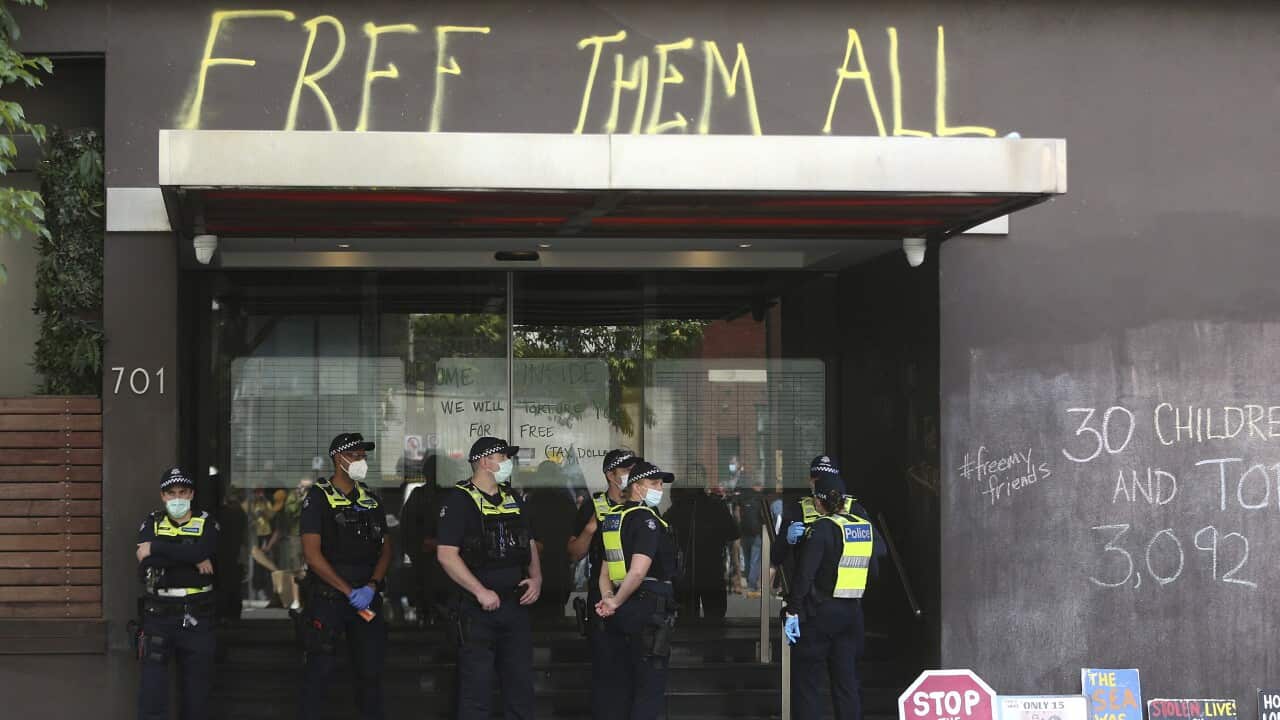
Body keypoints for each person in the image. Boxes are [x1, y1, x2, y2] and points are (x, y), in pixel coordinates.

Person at [437, 437, 542, 720]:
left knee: (520, 686)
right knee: (476, 690)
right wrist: (480, 591)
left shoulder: (513, 497)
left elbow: (529, 542)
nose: (508, 462)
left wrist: (536, 579)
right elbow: (446, 555)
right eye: (503, 457)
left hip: (514, 604)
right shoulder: (459, 500)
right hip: (476, 609)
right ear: (484, 462)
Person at [298, 432, 392, 720]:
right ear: (339, 458)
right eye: (357, 455)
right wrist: (347, 590)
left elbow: (386, 548)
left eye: (364, 455)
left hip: (366, 598)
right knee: (320, 671)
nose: (362, 460)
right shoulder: (318, 497)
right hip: (329, 598)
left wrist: (371, 586)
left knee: (371, 671)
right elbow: (313, 555)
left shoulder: (371, 499)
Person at [783, 472, 883, 720]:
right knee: (846, 682)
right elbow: (877, 562)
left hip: (819, 613)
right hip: (851, 613)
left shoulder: (821, 529)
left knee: (808, 684)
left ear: (819, 501)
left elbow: (805, 575)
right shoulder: (862, 527)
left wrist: (793, 610)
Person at [594, 459, 679, 720]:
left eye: (661, 483)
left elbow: (605, 574)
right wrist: (616, 602)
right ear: (637, 487)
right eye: (654, 483)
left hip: (622, 611)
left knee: (622, 687)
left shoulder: (614, 518)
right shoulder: (646, 520)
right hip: (647, 609)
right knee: (648, 688)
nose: (660, 488)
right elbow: (639, 570)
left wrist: (610, 599)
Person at [134, 467, 220, 720]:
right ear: (162, 496)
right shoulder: (152, 521)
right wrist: (191, 557)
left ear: (191, 493)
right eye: (171, 493)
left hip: (197, 615)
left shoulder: (206, 521)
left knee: (197, 696)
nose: (177, 498)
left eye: (182, 492)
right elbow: (146, 567)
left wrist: (156, 548)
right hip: (158, 617)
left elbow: (203, 552)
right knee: (152, 694)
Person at [567, 449, 637, 719]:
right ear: (611, 474)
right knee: (606, 665)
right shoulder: (592, 505)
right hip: (602, 594)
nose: (631, 476)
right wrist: (589, 529)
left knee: (637, 666)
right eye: (626, 470)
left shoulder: (641, 503)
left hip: (638, 592)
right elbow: (573, 553)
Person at [771, 455, 873, 595]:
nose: (823, 485)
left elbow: (876, 550)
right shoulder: (798, 509)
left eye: (828, 481)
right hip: (809, 594)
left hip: (846, 594)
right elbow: (776, 556)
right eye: (817, 480)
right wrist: (787, 540)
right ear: (811, 482)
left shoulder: (854, 510)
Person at [664, 475, 738, 620]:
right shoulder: (717, 506)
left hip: (687, 572)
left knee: (687, 619)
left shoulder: (677, 509)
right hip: (712, 569)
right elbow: (733, 534)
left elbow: (664, 532)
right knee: (715, 617)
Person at [523, 461, 577, 621]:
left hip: (538, 563)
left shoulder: (531, 502)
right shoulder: (566, 501)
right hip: (561, 564)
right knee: (557, 613)